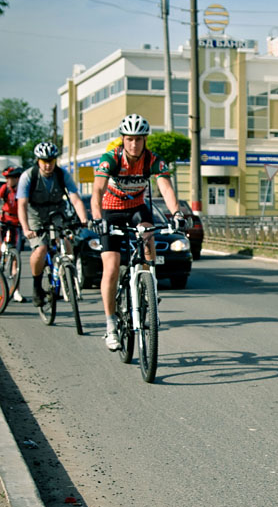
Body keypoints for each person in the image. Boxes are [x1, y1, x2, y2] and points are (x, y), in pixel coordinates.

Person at [90, 114, 185, 350]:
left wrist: (176, 214)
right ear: (123, 139)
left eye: (139, 139)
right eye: (130, 139)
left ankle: (148, 287)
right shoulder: (111, 159)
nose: (134, 144)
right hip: (111, 211)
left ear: (145, 140)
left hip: (136, 209)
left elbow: (166, 189)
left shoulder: (153, 160)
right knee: (112, 267)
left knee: (148, 234)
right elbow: (97, 190)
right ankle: (111, 325)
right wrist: (97, 218)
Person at [16, 143, 89, 307]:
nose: (48, 165)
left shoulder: (62, 175)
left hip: (57, 212)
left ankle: (67, 276)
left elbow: (75, 199)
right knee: (41, 249)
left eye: (51, 161)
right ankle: (37, 286)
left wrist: (83, 219)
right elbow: (22, 205)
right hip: (35, 214)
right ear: (38, 161)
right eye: (44, 161)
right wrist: (26, 229)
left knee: (66, 243)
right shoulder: (28, 176)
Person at [0, 165, 26, 301]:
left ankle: (16, 291)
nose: (8, 181)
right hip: (4, 222)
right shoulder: (4, 189)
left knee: (16, 258)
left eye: (11, 178)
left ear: (17, 178)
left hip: (17, 224)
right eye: (7, 178)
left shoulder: (23, 189)